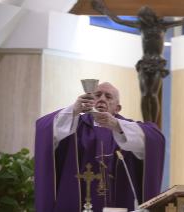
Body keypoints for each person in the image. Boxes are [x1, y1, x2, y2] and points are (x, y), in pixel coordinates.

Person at [34, 82, 165, 212]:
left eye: (108, 97)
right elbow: (44, 128)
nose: (102, 99)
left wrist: (116, 125)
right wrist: (74, 110)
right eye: (97, 95)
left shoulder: (128, 129)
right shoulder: (71, 125)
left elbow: (155, 139)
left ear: (117, 109)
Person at [91, 0, 184, 123]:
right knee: (145, 95)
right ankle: (147, 123)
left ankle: (154, 125)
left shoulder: (162, 25)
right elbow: (119, 20)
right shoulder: (141, 25)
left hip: (157, 64)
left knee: (152, 95)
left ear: (151, 15)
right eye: (142, 18)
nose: (144, 20)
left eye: (146, 17)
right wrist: (103, 9)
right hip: (144, 63)